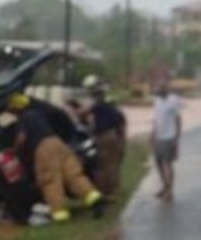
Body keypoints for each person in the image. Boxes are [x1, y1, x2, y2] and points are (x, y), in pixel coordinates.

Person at [7, 93, 103, 223]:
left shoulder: (24, 118)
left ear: (16, 108)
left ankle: (60, 215)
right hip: (59, 144)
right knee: (74, 175)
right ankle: (95, 199)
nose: (11, 112)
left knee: (50, 180)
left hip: (44, 149)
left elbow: (21, 138)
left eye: (11, 110)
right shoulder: (37, 113)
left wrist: (14, 150)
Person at [87, 84, 127, 198]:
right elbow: (121, 128)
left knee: (102, 165)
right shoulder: (114, 111)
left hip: (104, 137)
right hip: (113, 137)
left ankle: (104, 191)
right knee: (112, 164)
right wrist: (122, 143)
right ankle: (113, 190)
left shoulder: (98, 105)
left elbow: (83, 112)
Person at [150, 81, 182, 201]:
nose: (157, 92)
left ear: (165, 89)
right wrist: (152, 133)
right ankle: (165, 186)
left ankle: (170, 191)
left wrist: (176, 137)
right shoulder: (157, 100)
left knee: (167, 164)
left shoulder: (174, 100)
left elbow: (178, 119)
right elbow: (155, 118)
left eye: (160, 89)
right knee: (158, 163)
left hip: (169, 137)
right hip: (158, 136)